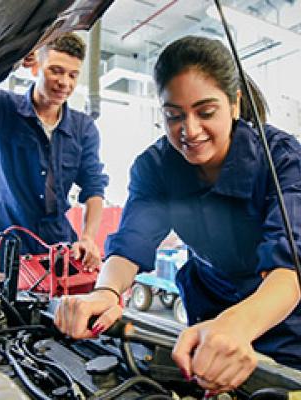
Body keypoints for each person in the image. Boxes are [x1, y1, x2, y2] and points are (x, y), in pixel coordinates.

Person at [54, 35, 301, 394]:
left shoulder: (283, 160)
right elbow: (131, 242)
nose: (190, 130)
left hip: (283, 320)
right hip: (208, 312)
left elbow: (290, 264)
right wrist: (105, 292)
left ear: (234, 104)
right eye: (174, 116)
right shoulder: (155, 167)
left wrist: (237, 326)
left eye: (205, 112)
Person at [0, 32, 108, 271]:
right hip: (6, 248)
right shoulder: (0, 110)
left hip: (57, 248)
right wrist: (8, 61)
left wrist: (88, 238)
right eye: (56, 70)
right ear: (35, 68)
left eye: (73, 75)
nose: (65, 83)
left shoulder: (83, 129)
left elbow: (94, 187)